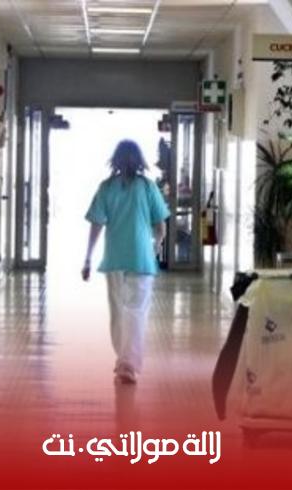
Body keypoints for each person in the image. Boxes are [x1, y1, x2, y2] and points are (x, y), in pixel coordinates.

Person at [82, 140, 171, 385]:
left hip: (114, 259)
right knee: (136, 311)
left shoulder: (106, 188)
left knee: (118, 311)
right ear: (139, 160)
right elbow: (160, 226)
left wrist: (88, 258)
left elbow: (96, 224)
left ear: (116, 160)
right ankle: (128, 363)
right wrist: (156, 245)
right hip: (141, 259)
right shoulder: (148, 187)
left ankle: (124, 360)